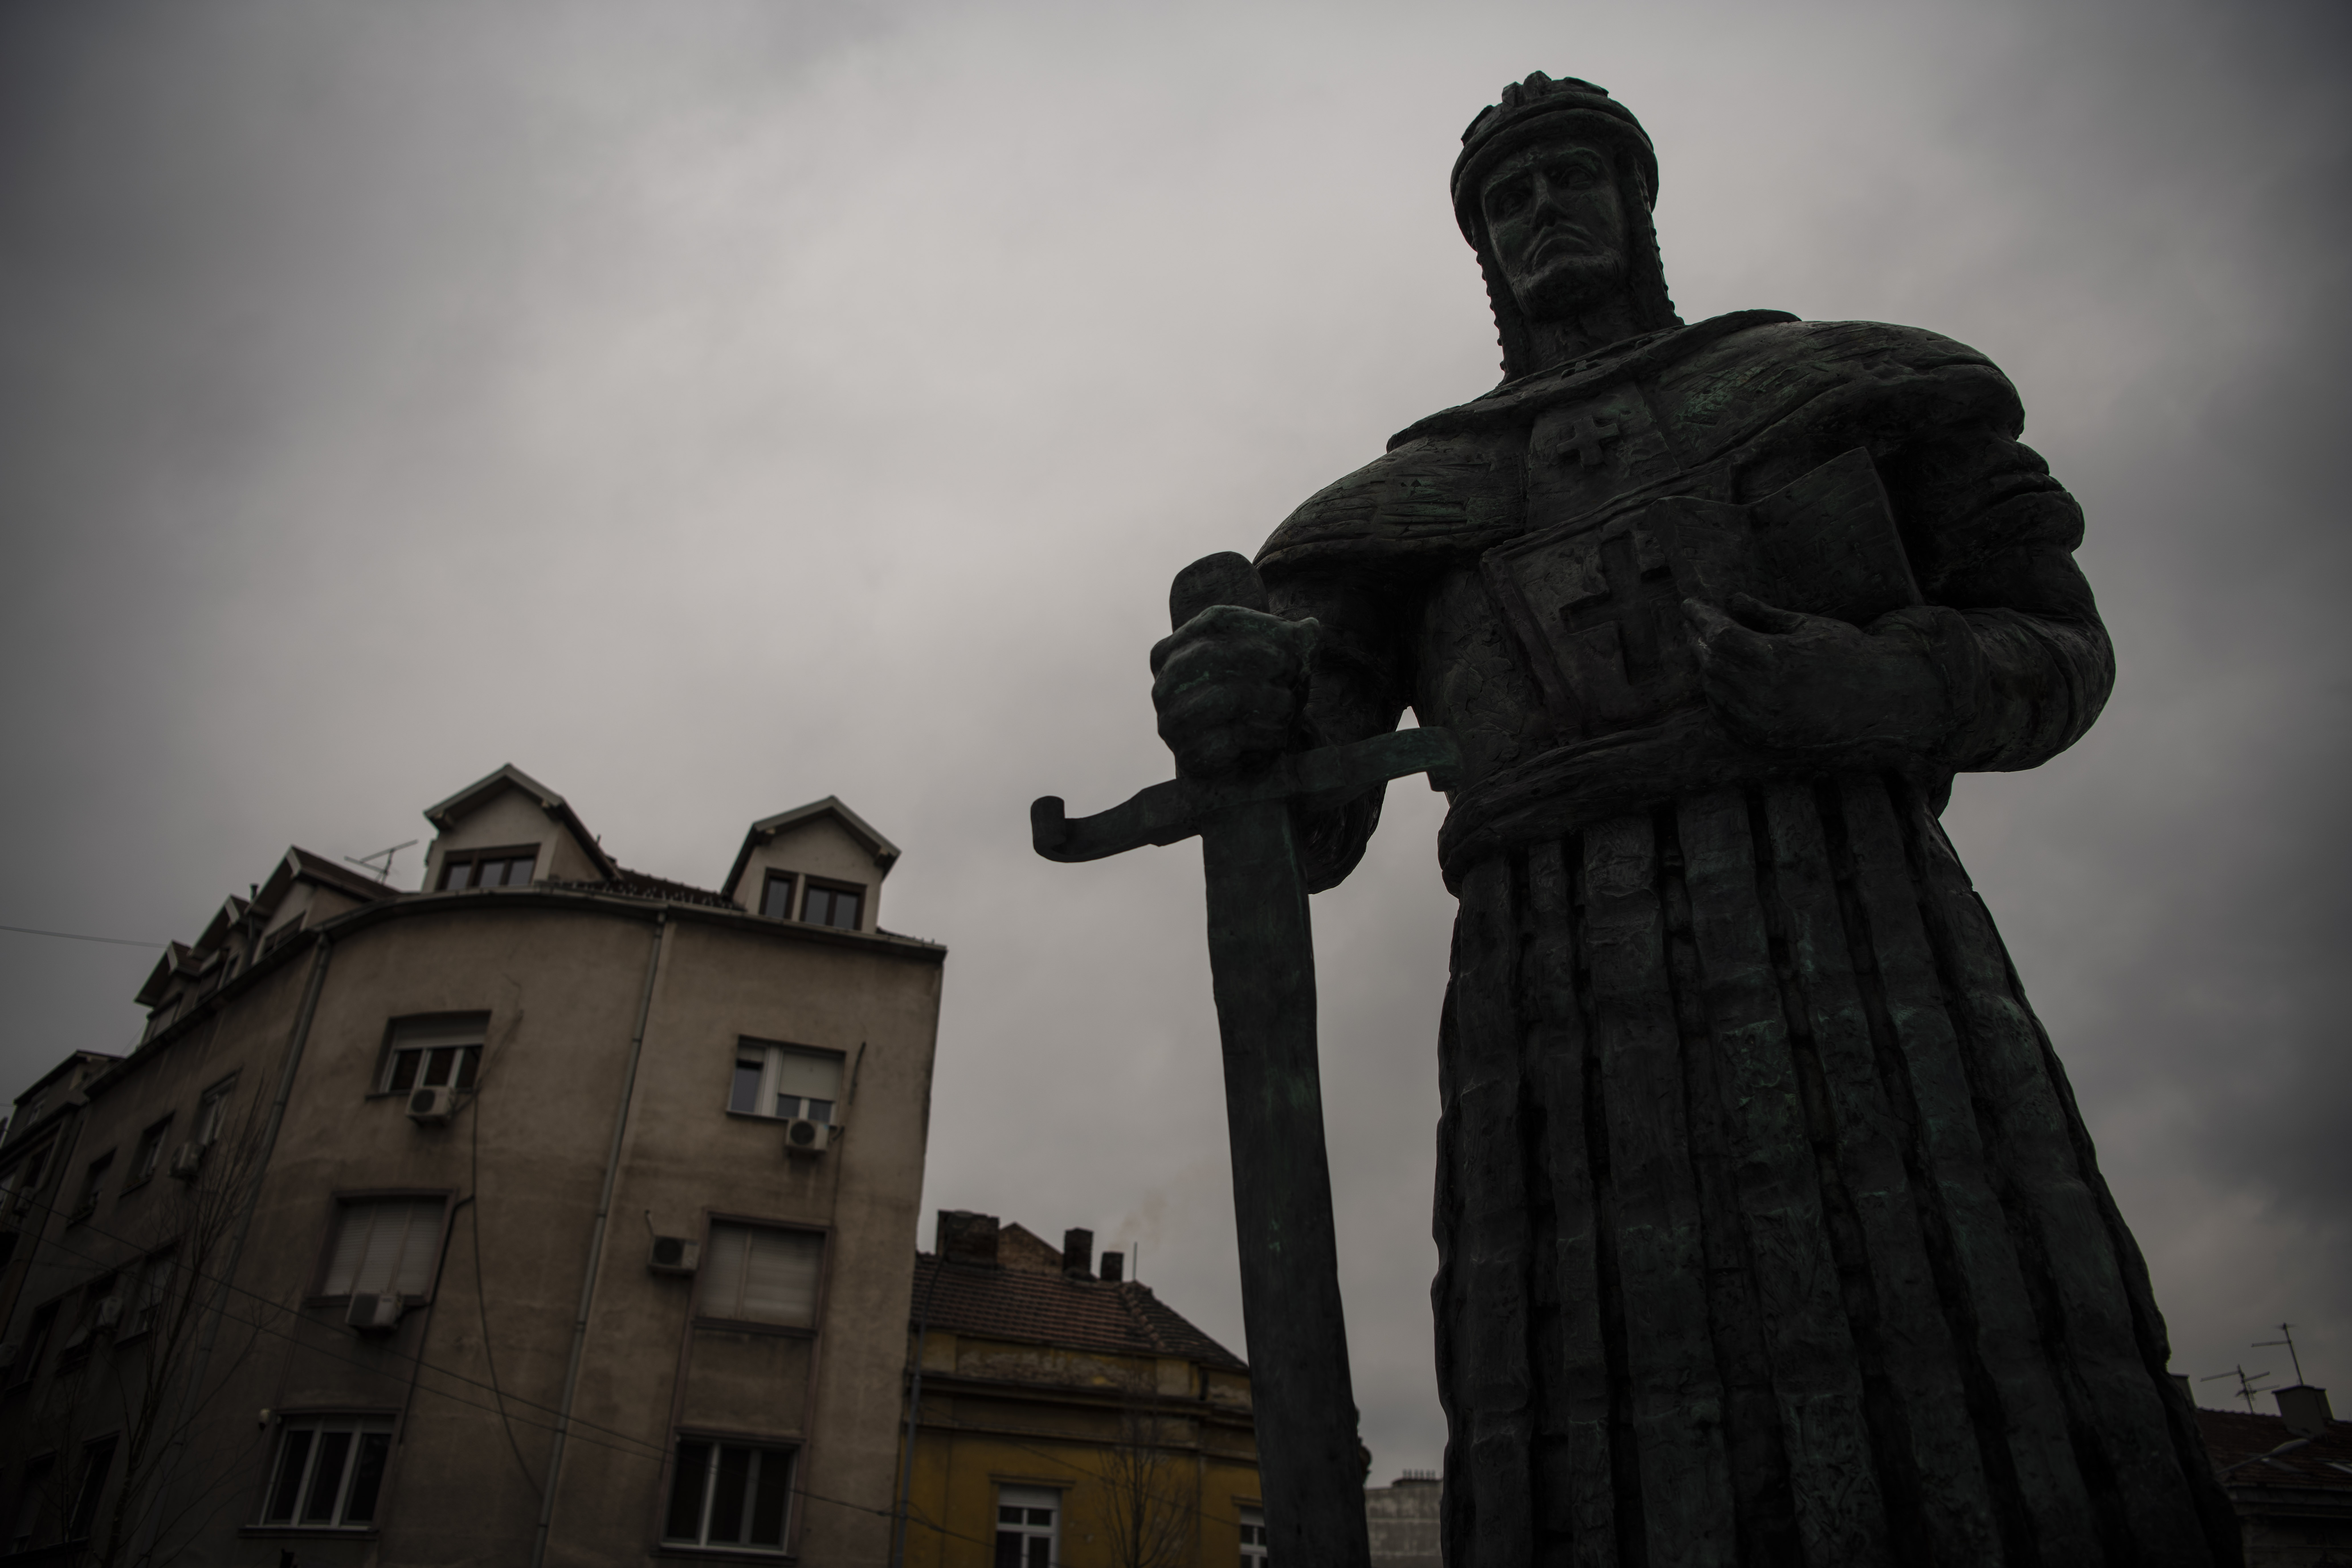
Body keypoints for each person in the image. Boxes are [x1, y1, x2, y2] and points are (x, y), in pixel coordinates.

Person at [1150, 74, 2239, 1567]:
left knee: (1973, 1351)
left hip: (1861, 940)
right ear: (1480, 245)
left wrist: (1897, 687)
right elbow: (1306, 816)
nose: (1540, 212)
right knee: (1588, 1385)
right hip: (1553, 998)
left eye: (1568, 177)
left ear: (1636, 198)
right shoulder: (1410, 508)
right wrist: (1237, 701)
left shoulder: (1833, 385)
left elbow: (2058, 647)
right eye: (1507, 198)